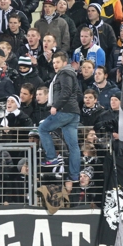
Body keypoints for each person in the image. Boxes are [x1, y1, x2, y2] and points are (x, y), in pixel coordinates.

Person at [38, 51, 81, 182]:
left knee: (43, 129)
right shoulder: (72, 74)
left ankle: (51, 157)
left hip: (64, 111)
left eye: (57, 62)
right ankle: (74, 175)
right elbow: (78, 94)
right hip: (73, 113)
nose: (55, 65)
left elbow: (66, 92)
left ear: (64, 63)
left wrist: (55, 106)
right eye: (53, 63)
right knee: (73, 146)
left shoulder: (65, 73)